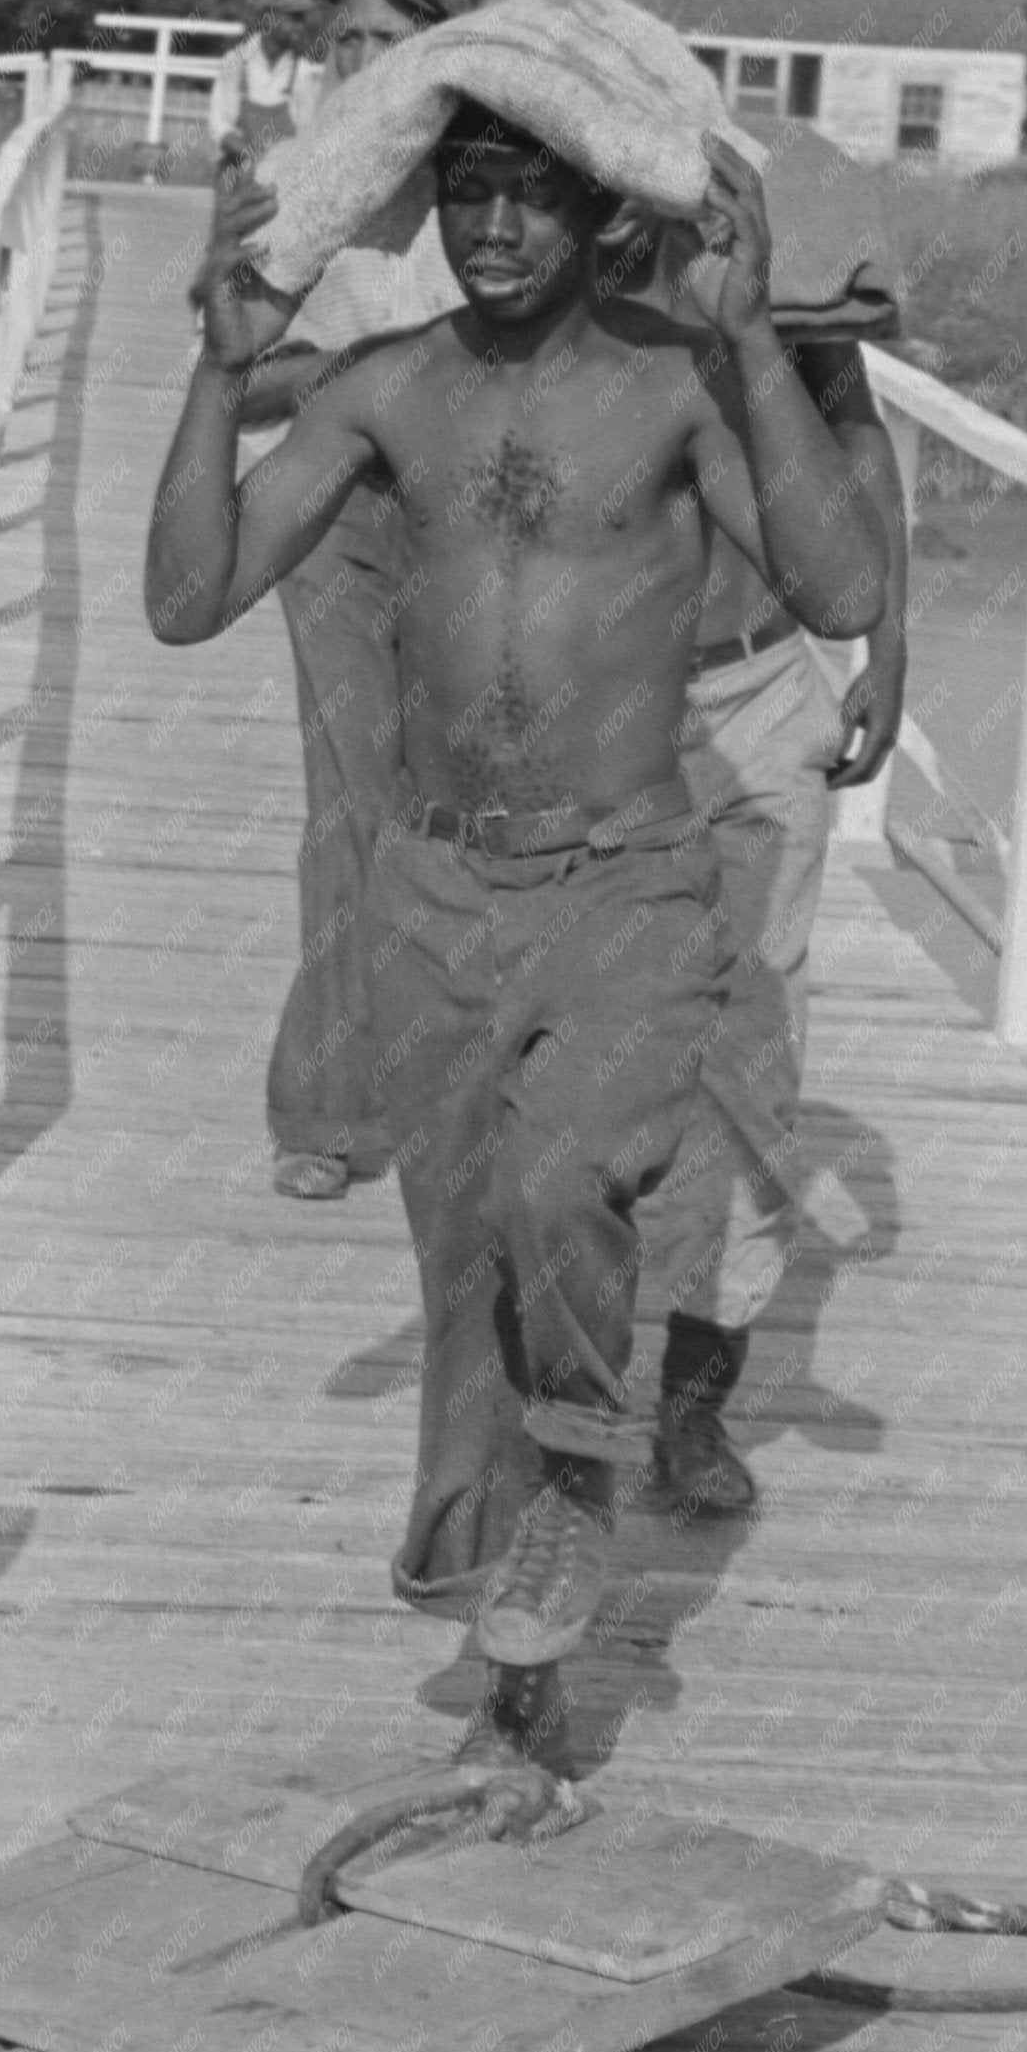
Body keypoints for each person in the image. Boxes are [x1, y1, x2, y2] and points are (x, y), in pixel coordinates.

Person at [148, 105, 890, 1706]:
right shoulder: (386, 385)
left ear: (599, 214)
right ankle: (517, 1664)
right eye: (468, 194)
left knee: (563, 1187)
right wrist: (218, 374)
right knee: (469, 1262)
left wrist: (753, 344)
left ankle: (574, 1478)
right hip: (431, 885)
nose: (495, 229)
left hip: (622, 872)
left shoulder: (673, 382)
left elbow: (839, 592)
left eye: (531, 199)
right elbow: (185, 596)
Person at [199, 0, 473, 1197]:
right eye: (345, 40)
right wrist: (370, 375)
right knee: (353, 803)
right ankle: (321, 1108)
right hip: (337, 523)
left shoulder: (493, 184)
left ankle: (460, 1084)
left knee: (475, 809)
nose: (366, 65)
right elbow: (236, 376)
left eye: (393, 41)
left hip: (484, 533)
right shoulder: (285, 183)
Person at [633, 327, 909, 1515]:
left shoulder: (776, 234)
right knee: (553, 1023)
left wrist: (886, 641)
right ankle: (531, 1386)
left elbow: (854, 435)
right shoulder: (548, 210)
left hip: (755, 678)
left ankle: (692, 1405)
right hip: (587, 684)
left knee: (752, 1046)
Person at [206, 0, 322, 154]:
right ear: (268, 19)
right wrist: (249, 156)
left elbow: (307, 134)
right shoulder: (236, 62)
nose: (300, 27)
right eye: (293, 18)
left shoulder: (304, 72)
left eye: (302, 19)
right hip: (236, 171)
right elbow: (219, 123)